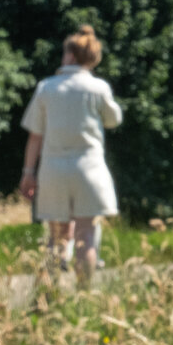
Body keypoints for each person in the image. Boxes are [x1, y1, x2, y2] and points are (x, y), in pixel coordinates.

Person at [19, 25, 124, 285]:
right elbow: (114, 120)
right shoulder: (98, 88)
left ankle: (48, 295)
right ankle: (84, 292)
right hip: (89, 168)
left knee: (56, 236)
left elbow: (35, 135)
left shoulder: (47, 88)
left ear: (71, 56)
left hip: (53, 169)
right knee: (86, 234)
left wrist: (28, 173)